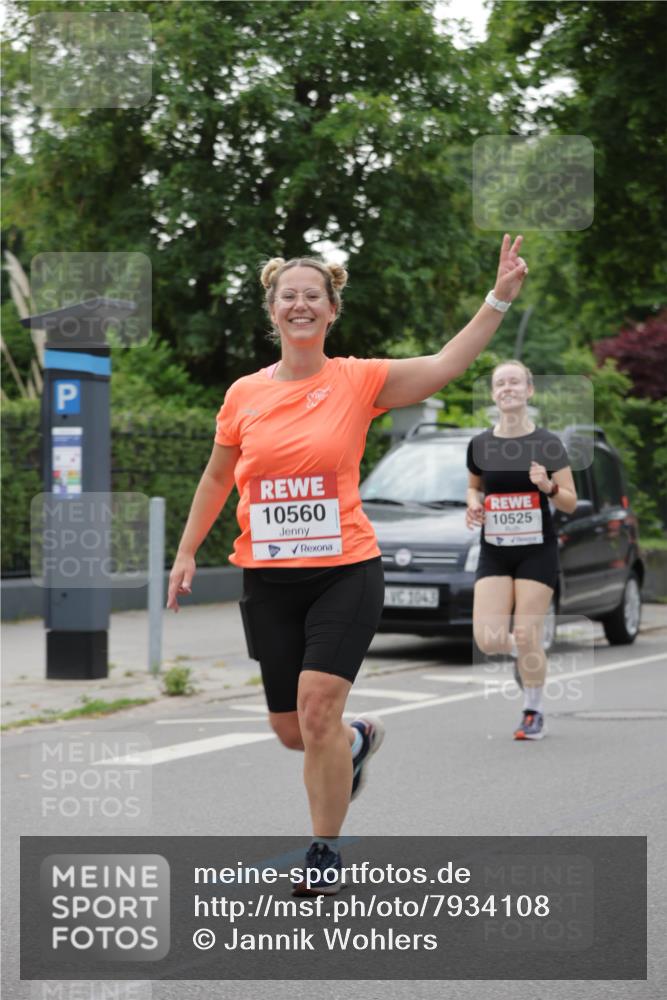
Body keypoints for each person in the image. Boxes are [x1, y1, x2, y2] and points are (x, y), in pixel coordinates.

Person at [167, 234, 529, 893]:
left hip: (345, 570)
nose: (299, 306)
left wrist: (496, 299)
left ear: (331, 310)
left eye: (313, 296)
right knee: (291, 731)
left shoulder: (359, 379)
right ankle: (355, 741)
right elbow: (218, 475)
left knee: (315, 709)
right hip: (269, 578)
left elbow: (447, 363)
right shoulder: (243, 393)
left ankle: (323, 851)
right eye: (288, 297)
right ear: (271, 309)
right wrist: (187, 550)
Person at [465, 360, 577, 740]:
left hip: (536, 550)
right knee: (489, 639)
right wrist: (473, 504)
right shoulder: (480, 444)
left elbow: (570, 503)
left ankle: (533, 711)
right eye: (500, 383)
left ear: (529, 391)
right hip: (494, 549)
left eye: (515, 382)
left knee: (528, 635)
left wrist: (546, 486)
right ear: (494, 393)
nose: (507, 388)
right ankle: (524, 658)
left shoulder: (547, 443)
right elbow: (473, 487)